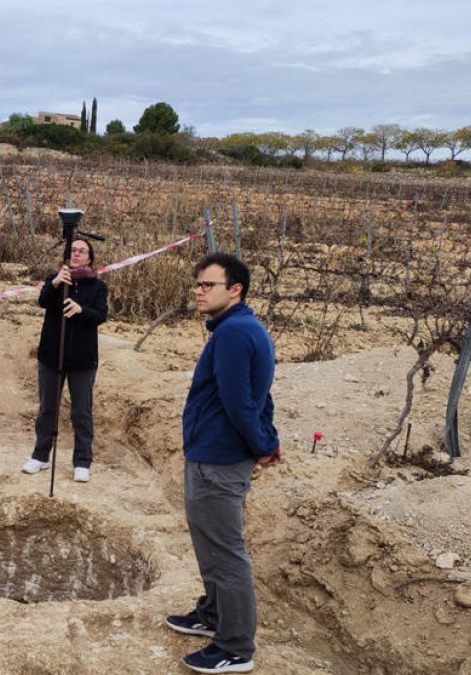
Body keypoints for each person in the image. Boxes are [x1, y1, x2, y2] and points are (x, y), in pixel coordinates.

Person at [165, 252, 282, 674]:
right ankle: (213, 614)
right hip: (212, 455)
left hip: (219, 460)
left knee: (225, 552)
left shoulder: (234, 333)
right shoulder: (240, 329)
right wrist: (268, 439)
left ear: (235, 289)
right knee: (210, 545)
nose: (199, 291)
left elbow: (240, 403)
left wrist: (263, 442)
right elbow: (259, 395)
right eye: (197, 284)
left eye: (208, 285)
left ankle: (235, 646)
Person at [21, 238, 109, 483]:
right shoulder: (54, 280)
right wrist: (56, 283)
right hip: (51, 356)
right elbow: (43, 301)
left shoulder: (97, 286)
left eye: (82, 251)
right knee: (47, 408)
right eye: (73, 250)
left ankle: (82, 461)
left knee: (81, 412)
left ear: (90, 257)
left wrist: (81, 310)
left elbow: (100, 315)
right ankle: (40, 456)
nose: (77, 254)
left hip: (83, 360)